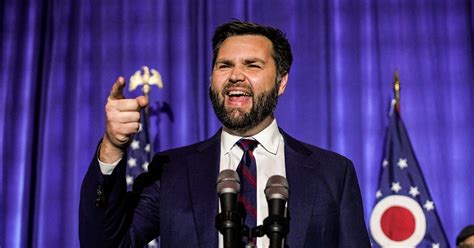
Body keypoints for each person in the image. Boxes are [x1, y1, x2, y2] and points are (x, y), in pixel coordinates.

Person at [79, 20, 370, 247]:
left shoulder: (333, 173)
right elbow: (107, 243)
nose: (235, 75)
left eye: (252, 65)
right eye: (224, 65)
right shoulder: (172, 171)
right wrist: (112, 149)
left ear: (281, 82)